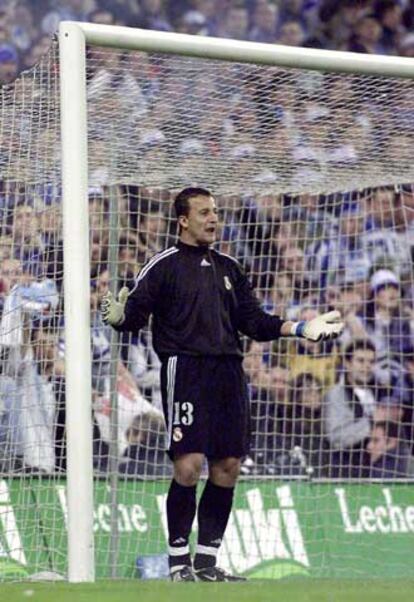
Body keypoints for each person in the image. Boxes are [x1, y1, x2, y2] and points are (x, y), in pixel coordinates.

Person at [101, 186, 344, 582]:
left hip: (229, 372)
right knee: (189, 464)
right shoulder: (164, 265)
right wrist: (117, 317)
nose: (213, 219)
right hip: (187, 369)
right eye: (203, 213)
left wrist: (301, 327)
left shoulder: (230, 267)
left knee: (229, 465)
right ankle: (178, 562)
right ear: (183, 220)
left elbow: (254, 322)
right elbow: (134, 315)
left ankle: (207, 562)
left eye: (215, 212)